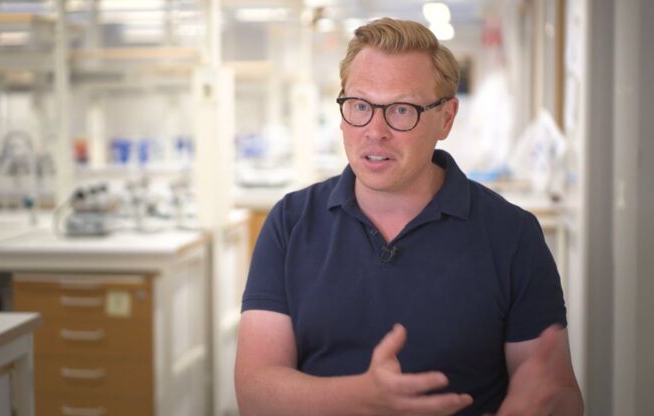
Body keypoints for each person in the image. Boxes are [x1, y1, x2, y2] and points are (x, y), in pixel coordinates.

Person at [235, 17, 583, 416]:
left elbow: (558, 393)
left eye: (402, 109)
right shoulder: (290, 223)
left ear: (446, 119)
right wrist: (361, 398)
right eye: (360, 105)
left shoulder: (513, 235)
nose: (375, 130)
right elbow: (254, 391)